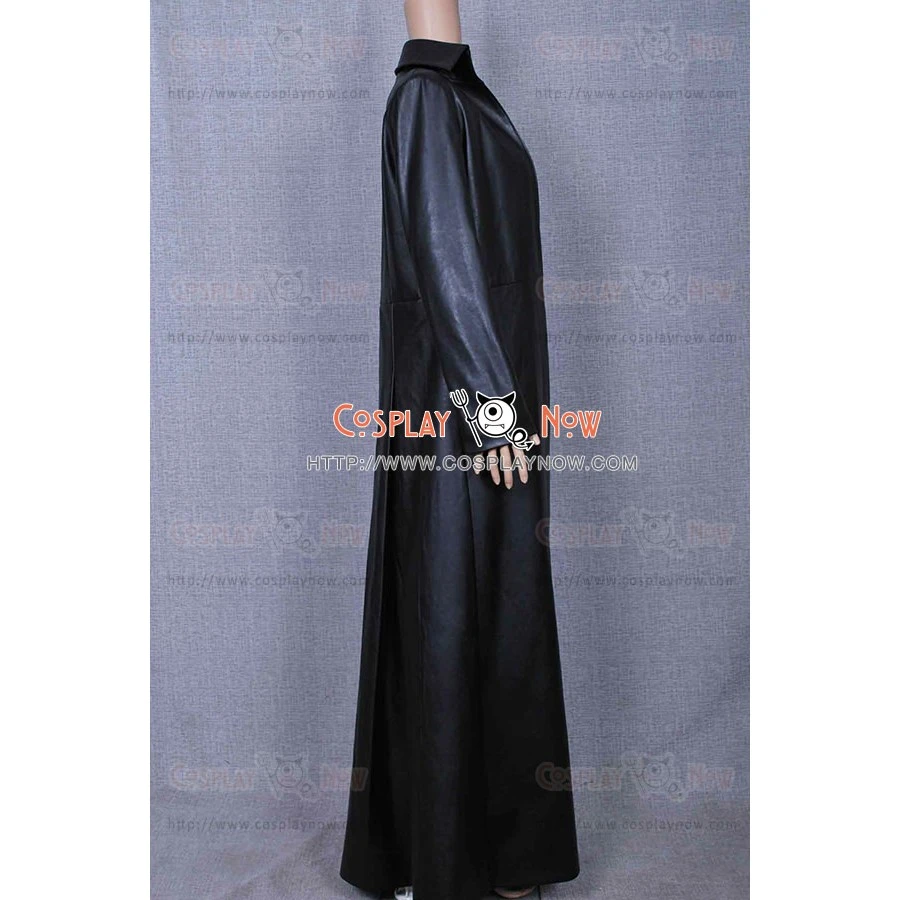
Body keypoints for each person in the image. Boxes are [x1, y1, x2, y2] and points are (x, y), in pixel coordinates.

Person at [340, 4, 580, 899]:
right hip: (459, 419)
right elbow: (445, 259)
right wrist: (490, 406)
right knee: (452, 621)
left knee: (495, 624)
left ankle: (489, 855)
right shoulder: (424, 97)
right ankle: (455, 862)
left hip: (492, 403)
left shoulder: (460, 94)